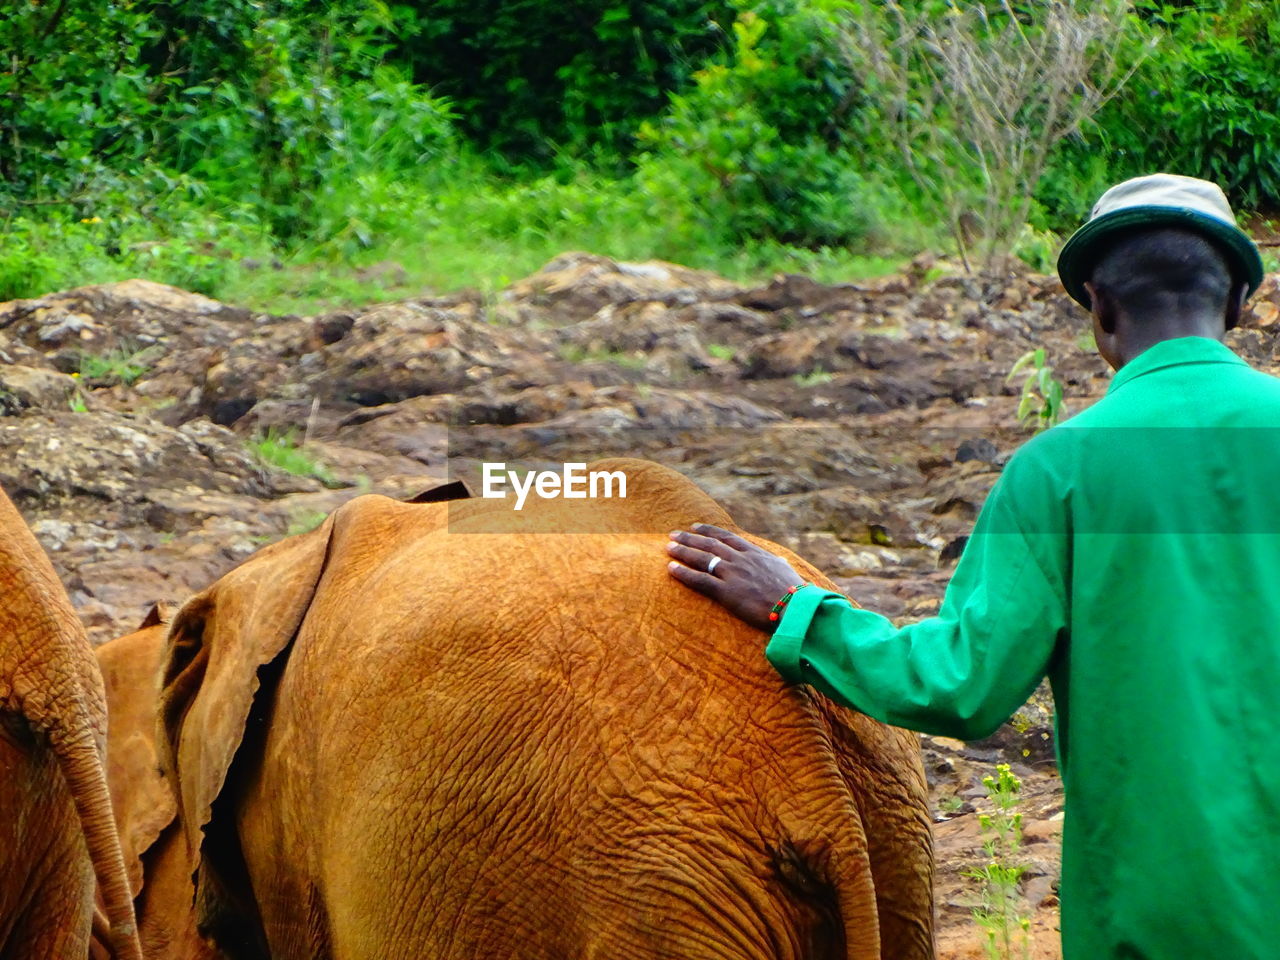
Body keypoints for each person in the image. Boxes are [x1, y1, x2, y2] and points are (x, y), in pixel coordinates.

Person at [664, 173, 1280, 960]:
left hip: (1160, 920)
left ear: (1100, 308)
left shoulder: (1059, 472)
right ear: (1234, 304)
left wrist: (798, 610)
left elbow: (963, 683)